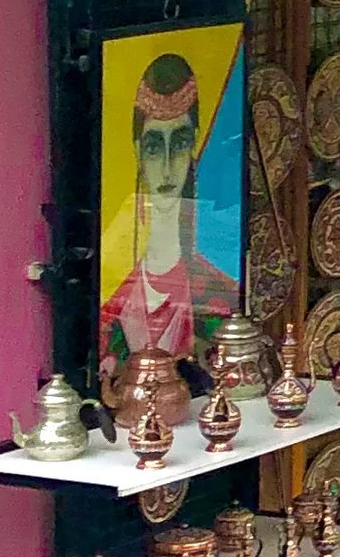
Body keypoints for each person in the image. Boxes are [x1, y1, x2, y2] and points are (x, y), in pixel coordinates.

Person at [101, 49, 240, 372]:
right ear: (137, 150)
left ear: (193, 144)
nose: (165, 168)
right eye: (153, 146)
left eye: (178, 143)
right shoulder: (111, 306)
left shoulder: (219, 298)